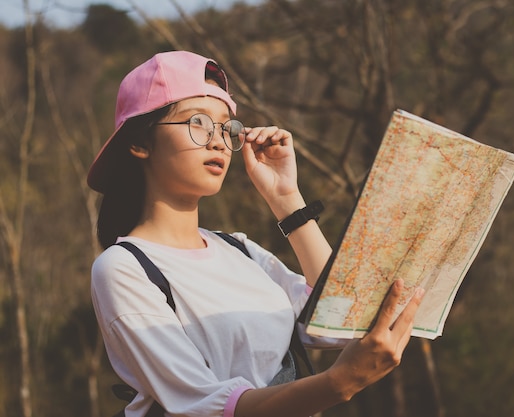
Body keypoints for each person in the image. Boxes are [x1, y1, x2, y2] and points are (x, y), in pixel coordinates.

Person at [88, 50, 424, 417]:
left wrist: (286, 199)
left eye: (226, 127)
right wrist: (339, 383)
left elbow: (342, 319)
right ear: (139, 143)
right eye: (197, 123)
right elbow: (204, 405)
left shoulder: (240, 250)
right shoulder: (124, 269)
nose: (218, 141)